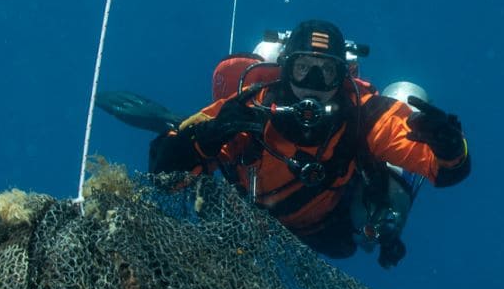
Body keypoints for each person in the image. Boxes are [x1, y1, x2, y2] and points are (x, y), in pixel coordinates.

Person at [149, 19, 469, 266]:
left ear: (342, 77)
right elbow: (163, 173)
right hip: (248, 217)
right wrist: (207, 137)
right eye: (304, 69)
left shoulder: (366, 115)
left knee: (353, 241)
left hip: (326, 227)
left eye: (326, 72)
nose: (313, 85)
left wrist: (449, 146)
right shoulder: (248, 109)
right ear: (285, 71)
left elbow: (447, 172)